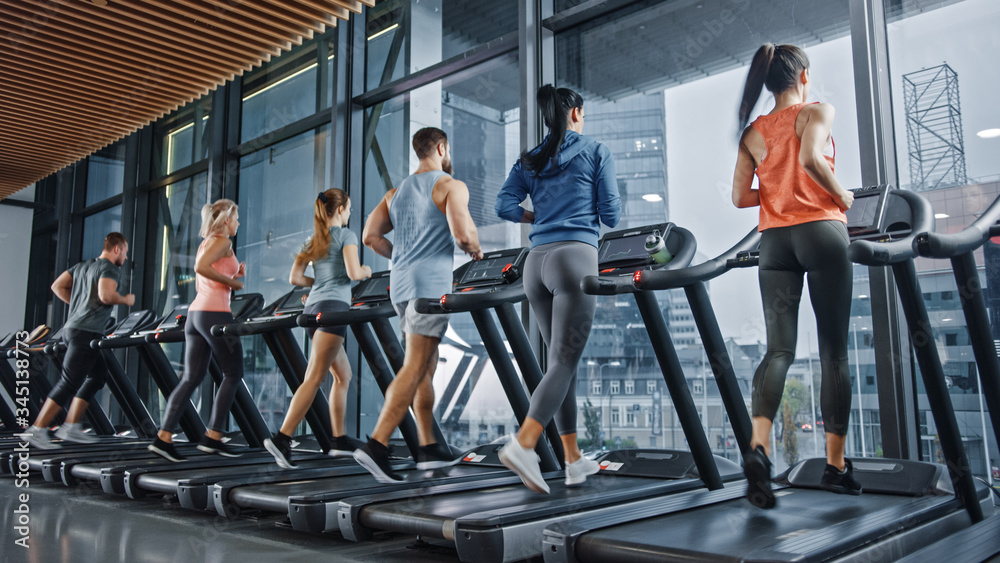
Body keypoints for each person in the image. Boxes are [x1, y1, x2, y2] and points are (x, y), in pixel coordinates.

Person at [731, 43, 861, 508]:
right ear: (802, 76)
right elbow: (810, 160)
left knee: (778, 350)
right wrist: (842, 196)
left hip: (775, 244)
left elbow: (740, 198)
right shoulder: (816, 111)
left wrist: (775, 187)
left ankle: (759, 448)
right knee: (833, 353)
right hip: (821, 234)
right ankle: (836, 467)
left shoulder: (754, 131)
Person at [494, 85, 621, 494]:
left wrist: (536, 213)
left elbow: (503, 206)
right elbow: (612, 216)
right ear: (577, 114)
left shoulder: (531, 158)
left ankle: (572, 459)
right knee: (564, 363)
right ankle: (524, 443)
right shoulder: (596, 150)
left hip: (535, 263)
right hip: (575, 260)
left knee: (559, 364)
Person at [355, 126, 483, 482]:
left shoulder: (395, 193)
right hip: (429, 289)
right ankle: (377, 445)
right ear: (441, 147)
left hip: (401, 285)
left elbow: (370, 236)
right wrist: (474, 248)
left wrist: (401, 257)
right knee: (414, 365)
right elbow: (462, 234)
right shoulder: (449, 185)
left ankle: (429, 447)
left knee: (425, 364)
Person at [264, 188, 372, 469]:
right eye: (348, 209)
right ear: (339, 210)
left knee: (342, 375)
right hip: (334, 310)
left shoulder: (313, 240)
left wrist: (319, 286)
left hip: (313, 309)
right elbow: (353, 273)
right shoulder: (346, 236)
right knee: (313, 378)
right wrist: (366, 271)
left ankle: (338, 440)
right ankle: (282, 438)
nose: (349, 214)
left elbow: (295, 277)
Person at [148, 199, 248, 462]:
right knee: (234, 372)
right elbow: (199, 269)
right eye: (236, 218)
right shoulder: (223, 241)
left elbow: (208, 274)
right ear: (227, 219)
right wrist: (231, 283)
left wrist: (233, 276)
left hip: (195, 315)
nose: (239, 223)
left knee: (192, 377)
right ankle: (213, 436)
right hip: (214, 314)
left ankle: (164, 437)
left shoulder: (209, 242)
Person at [24, 233, 135, 449]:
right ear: (117, 249)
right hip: (86, 331)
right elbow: (105, 296)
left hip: (75, 328)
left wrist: (80, 306)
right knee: (69, 382)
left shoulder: (83, 266)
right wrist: (125, 299)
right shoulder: (110, 268)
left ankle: (72, 425)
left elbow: (57, 286)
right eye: (125, 251)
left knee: (97, 376)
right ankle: (37, 430)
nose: (126, 256)